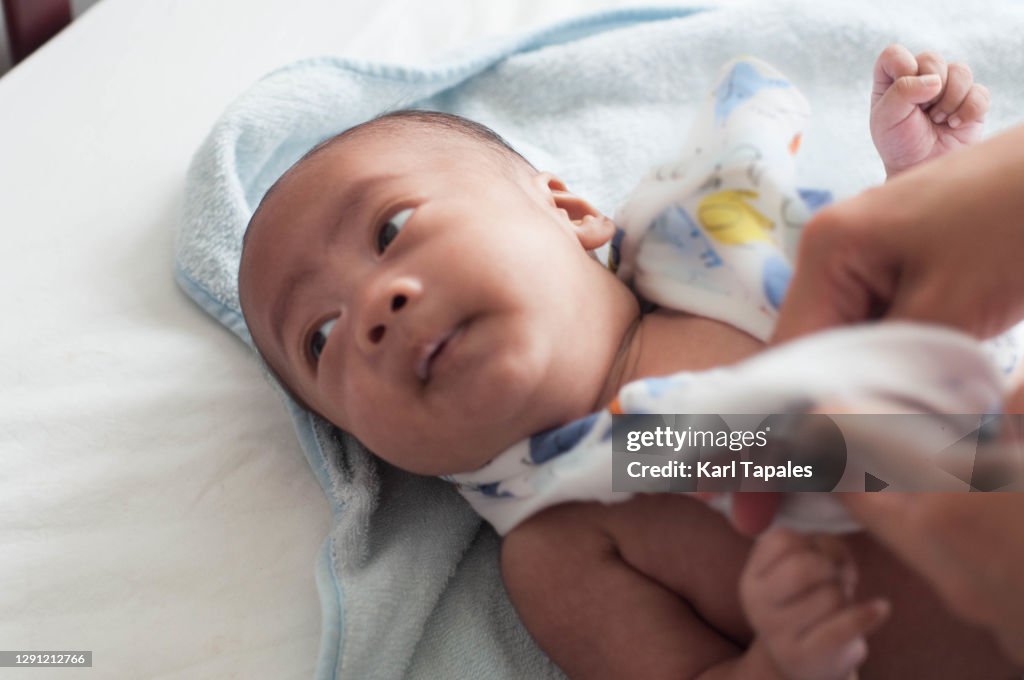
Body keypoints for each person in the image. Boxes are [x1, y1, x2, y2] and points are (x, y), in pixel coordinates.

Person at [237, 46, 1019, 678]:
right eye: (320, 336)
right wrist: (781, 659)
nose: (374, 310)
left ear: (569, 212)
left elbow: (928, 325)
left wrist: (923, 177)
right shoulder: (559, 547)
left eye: (391, 228)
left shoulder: (726, 281)